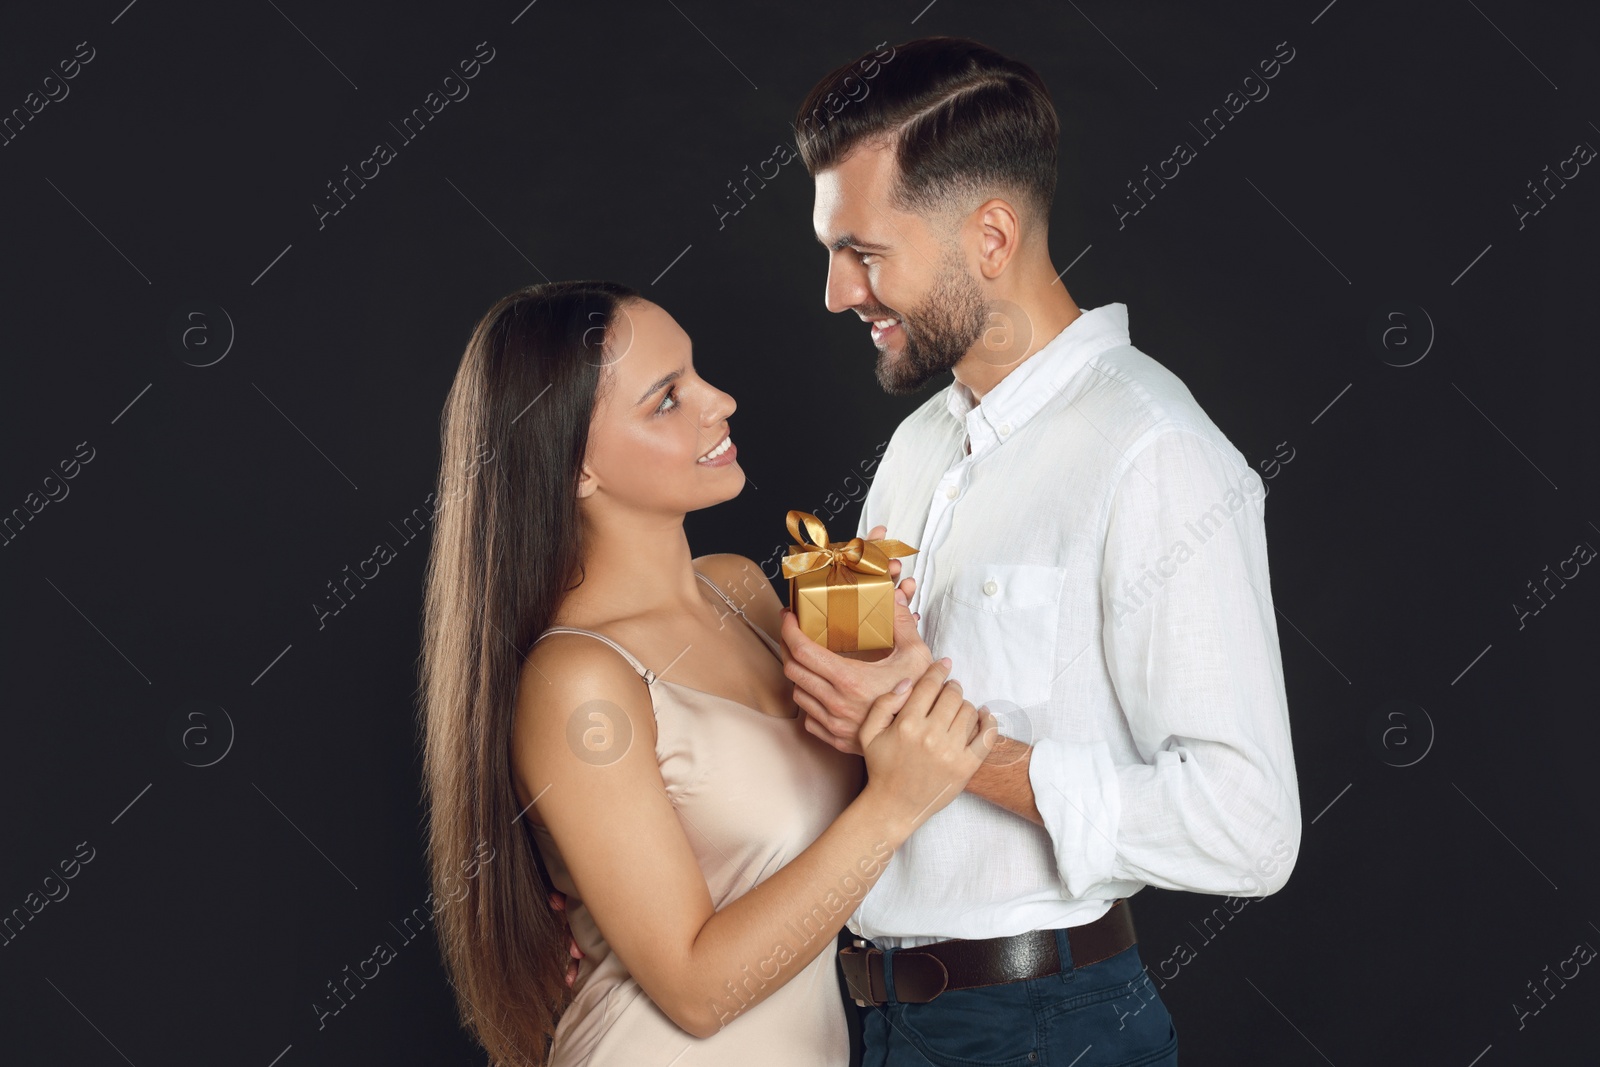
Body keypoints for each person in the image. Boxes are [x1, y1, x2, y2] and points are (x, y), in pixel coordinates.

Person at [778, 37, 1304, 1065]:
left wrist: (965, 752)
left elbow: (1248, 826)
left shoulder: (1156, 452)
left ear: (990, 236)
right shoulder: (920, 439)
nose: (838, 293)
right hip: (874, 1020)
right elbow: (871, 750)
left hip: (1044, 1028)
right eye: (831, 252)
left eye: (865, 252)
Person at [416, 279, 996, 1067]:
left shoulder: (740, 588)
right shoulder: (576, 680)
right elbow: (694, 989)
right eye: (666, 399)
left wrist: (890, 660)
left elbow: (846, 768)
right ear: (576, 466)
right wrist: (893, 804)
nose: (719, 401)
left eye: (697, 373)